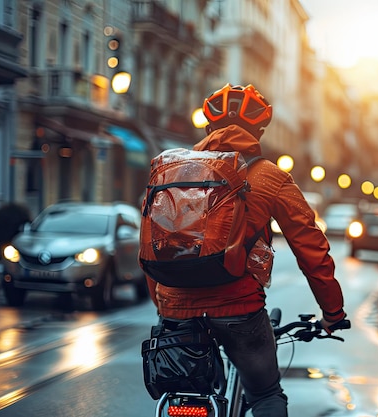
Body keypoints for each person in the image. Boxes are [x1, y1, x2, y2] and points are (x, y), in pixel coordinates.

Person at [145, 83, 347, 417]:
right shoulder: (270, 177)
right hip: (238, 306)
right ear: (260, 131)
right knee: (266, 393)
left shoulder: (172, 172)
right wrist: (333, 312)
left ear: (208, 127)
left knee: (182, 394)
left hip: (176, 308)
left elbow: (153, 247)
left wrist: (165, 303)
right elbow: (311, 249)